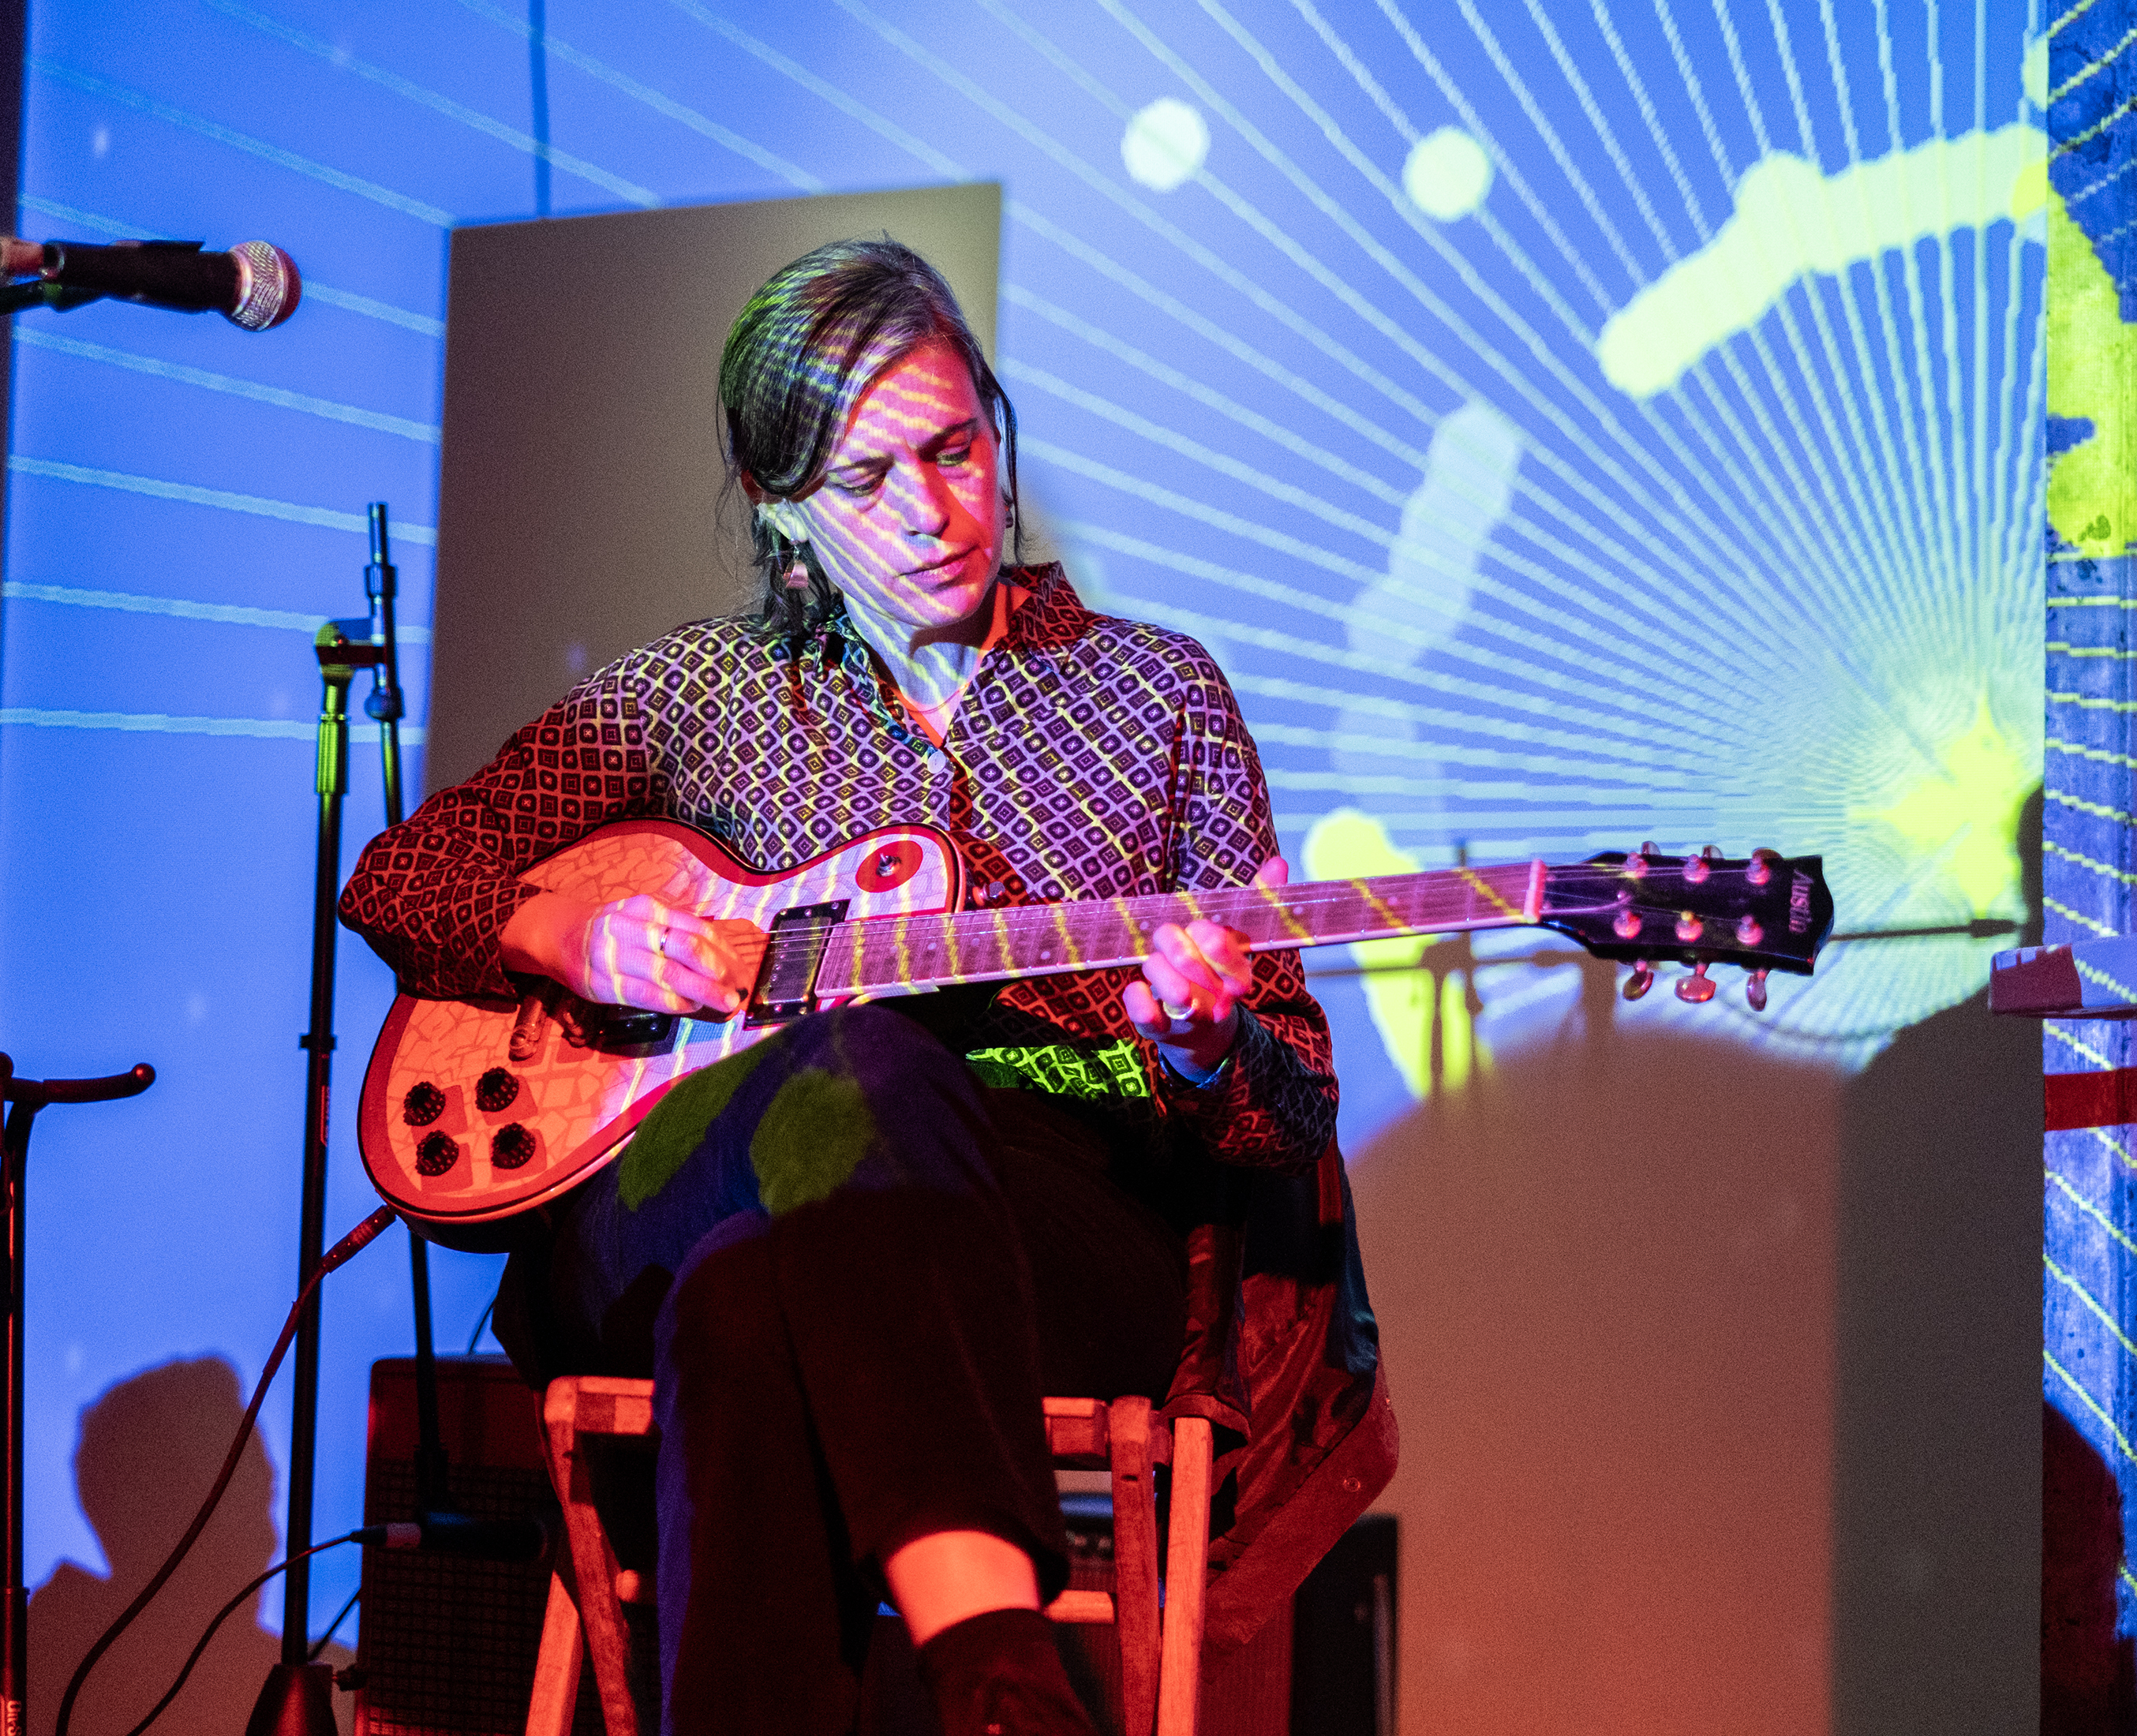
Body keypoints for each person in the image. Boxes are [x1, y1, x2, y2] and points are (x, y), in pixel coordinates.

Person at [339, 238, 1392, 1736]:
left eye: (957, 447)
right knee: (850, 1076)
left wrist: (1211, 1047)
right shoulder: (688, 700)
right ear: (782, 513)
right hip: (675, 1172)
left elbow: (1290, 1105)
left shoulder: (1162, 698)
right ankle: (998, 1669)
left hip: (1043, 1229)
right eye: (869, 478)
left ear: (997, 424)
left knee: (748, 1303)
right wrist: (562, 938)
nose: (935, 508)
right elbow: (401, 877)